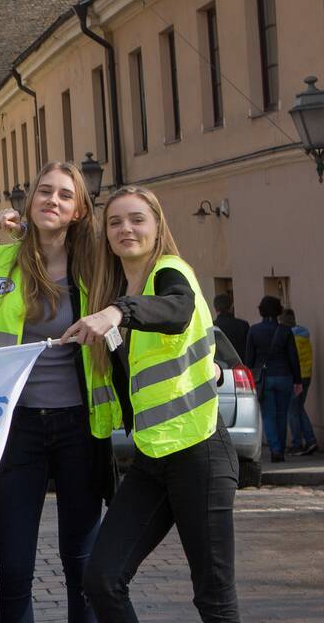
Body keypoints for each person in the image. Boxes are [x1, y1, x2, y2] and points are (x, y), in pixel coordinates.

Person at [66, 186, 239, 623]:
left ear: (158, 226)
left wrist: (117, 313)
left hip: (199, 451)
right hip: (150, 459)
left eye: (137, 219)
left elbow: (178, 310)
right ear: (104, 235)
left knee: (214, 598)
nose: (126, 228)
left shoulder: (170, 272)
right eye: (115, 222)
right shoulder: (111, 287)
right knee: (102, 579)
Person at [0, 162, 118, 623]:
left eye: (65, 196)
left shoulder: (97, 263)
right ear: (29, 202)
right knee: (14, 565)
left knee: (82, 563)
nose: (52, 200)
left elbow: (123, 327)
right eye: (44, 192)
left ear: (77, 211)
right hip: (19, 426)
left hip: (80, 424)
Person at [245, 296, 301, 462]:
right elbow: (293, 357)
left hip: (265, 378)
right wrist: (298, 380)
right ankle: (281, 449)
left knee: (268, 415)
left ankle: (275, 449)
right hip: (284, 376)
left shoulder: (254, 330)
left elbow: (249, 359)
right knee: (282, 415)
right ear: (278, 311)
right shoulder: (285, 331)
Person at [281, 309, 317, 456]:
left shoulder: (289, 337)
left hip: (295, 377)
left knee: (293, 411)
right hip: (307, 375)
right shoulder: (304, 333)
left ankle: (297, 444)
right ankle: (310, 440)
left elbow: (290, 359)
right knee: (298, 408)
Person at [213, 294, 249, 363]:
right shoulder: (243, 325)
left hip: (220, 367)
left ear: (215, 308)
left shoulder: (212, 326)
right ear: (231, 307)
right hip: (240, 365)